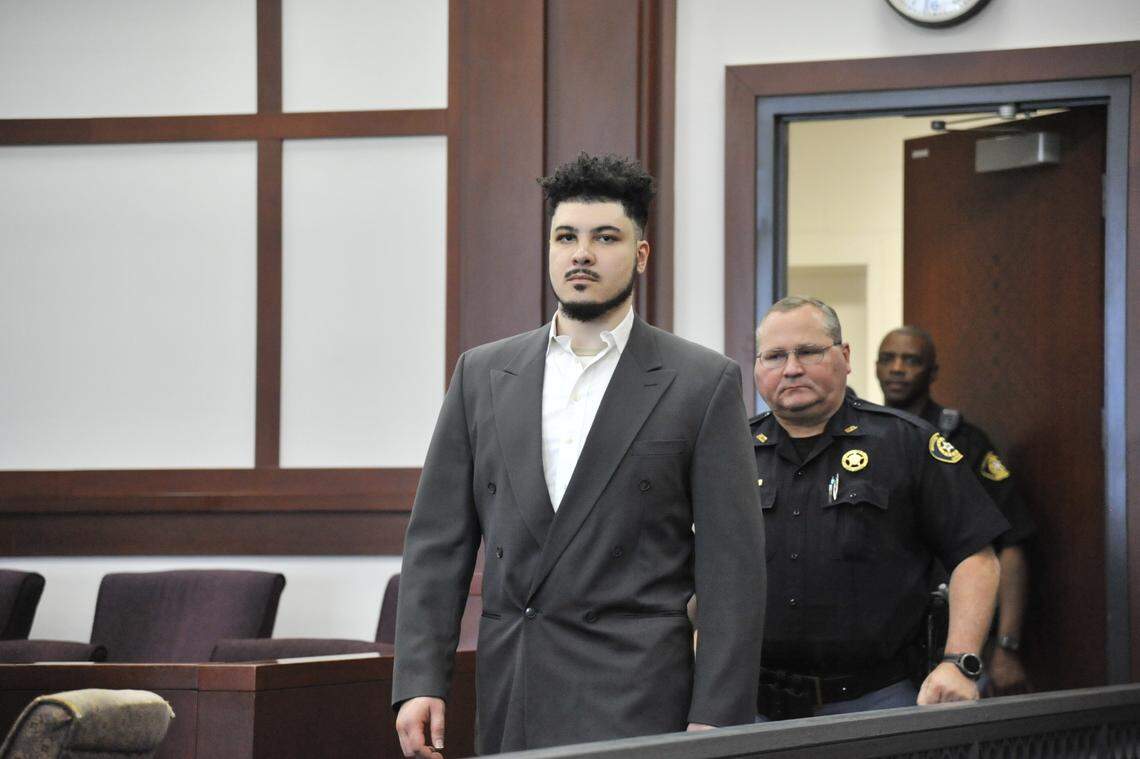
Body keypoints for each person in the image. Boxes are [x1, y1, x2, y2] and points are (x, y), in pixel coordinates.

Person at [392, 153, 766, 756]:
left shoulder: (701, 380)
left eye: (605, 237)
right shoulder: (482, 373)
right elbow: (438, 542)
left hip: (638, 690)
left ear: (640, 256)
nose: (581, 253)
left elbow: (733, 566)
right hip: (514, 679)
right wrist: (418, 679)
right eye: (566, 237)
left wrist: (719, 714)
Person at [750, 296, 1008, 720]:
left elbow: (975, 556)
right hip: (753, 704)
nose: (791, 368)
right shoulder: (731, 452)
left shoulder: (907, 443)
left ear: (845, 356)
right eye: (775, 355)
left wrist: (959, 661)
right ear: (758, 366)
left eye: (809, 351)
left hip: (876, 701)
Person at [876, 326, 1036, 695]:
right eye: (888, 359)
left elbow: (1011, 546)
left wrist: (1008, 647)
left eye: (911, 360)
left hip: (956, 642)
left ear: (932, 372)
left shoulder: (964, 442)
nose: (897, 368)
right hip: (886, 649)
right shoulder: (863, 440)